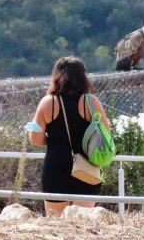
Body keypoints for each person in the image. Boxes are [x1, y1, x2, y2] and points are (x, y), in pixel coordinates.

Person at [29, 56, 111, 216]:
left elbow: (35, 139)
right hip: (87, 169)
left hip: (56, 169)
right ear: (83, 76)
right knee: (82, 226)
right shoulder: (91, 101)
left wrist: (55, 140)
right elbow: (106, 134)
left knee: (57, 227)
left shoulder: (47, 103)